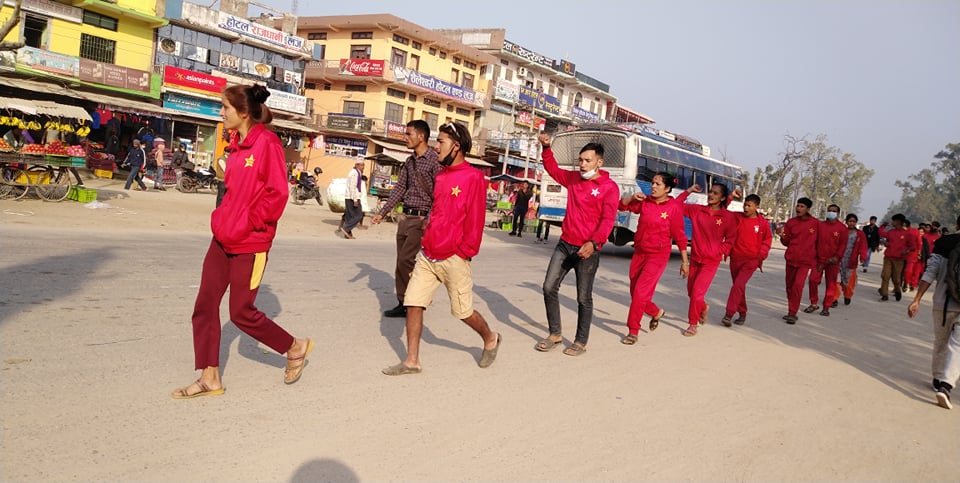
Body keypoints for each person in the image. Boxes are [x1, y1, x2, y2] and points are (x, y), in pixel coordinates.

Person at [172, 84, 313, 399]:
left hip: (251, 242)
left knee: (240, 312)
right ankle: (209, 377)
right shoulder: (235, 146)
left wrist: (247, 223)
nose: (221, 113)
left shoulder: (268, 144)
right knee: (205, 306)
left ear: (243, 111)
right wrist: (225, 219)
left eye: (225, 107)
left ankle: (294, 346)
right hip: (222, 239)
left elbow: (278, 194)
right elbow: (234, 195)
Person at [382, 122, 500, 375]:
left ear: (456, 146)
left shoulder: (473, 177)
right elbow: (437, 208)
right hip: (428, 254)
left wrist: (465, 251)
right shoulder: (441, 175)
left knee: (463, 312)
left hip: (454, 257)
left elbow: (476, 219)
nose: (437, 147)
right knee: (413, 303)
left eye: (442, 142)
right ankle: (411, 361)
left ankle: (490, 337)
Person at [534, 134, 619, 356]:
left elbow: (607, 220)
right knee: (548, 287)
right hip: (565, 245)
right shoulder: (573, 179)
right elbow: (553, 169)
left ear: (599, 162)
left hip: (587, 251)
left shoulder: (609, 188)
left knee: (583, 297)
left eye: (587, 161)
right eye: (580, 160)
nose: (582, 164)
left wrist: (594, 242)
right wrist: (546, 147)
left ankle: (580, 342)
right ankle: (555, 334)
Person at [371, 120, 440, 318]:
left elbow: (439, 192)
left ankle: (416, 299)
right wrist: (382, 212)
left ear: (421, 136)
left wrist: (430, 219)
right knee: (401, 262)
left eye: (409, 134)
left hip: (421, 219)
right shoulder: (409, 162)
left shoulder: (434, 161)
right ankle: (405, 302)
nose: (405, 138)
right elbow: (401, 189)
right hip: (405, 217)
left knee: (405, 260)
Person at [618, 173, 690, 344]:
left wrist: (685, 261)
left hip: (658, 255)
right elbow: (621, 206)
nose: (653, 186)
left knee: (640, 292)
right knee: (635, 292)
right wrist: (631, 198)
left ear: (667, 189)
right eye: (653, 183)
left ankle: (633, 330)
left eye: (658, 184)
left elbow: (680, 236)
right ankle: (656, 312)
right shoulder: (645, 202)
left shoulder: (673, 208)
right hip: (640, 252)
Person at [907, 214, 960, 409]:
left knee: (941, 342)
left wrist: (917, 299)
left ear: (956, 225)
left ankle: (938, 379)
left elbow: (929, 273)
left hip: (942, 302)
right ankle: (946, 384)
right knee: (958, 346)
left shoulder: (943, 244)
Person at [673, 183, 737, 336]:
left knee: (696, 294)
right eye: (710, 192)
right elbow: (675, 205)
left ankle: (692, 324)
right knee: (691, 293)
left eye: (715, 193)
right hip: (695, 259)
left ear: (722, 198)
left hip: (711, 262)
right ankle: (703, 307)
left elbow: (730, 240)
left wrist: (717, 251)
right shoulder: (697, 211)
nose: (711, 195)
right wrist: (688, 190)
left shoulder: (727, 217)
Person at [722, 194, 773, 327]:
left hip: (751, 260)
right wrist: (730, 197)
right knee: (739, 288)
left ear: (757, 207)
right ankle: (743, 312)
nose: (745, 207)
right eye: (745, 204)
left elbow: (767, 241)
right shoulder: (736, 217)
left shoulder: (762, 223)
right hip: (736, 258)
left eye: (749, 205)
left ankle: (729, 314)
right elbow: (722, 210)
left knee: (738, 285)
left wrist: (760, 256)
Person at [779, 197, 819, 324]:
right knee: (789, 287)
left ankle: (792, 313)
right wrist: (782, 235)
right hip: (791, 258)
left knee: (798, 286)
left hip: (806, 261)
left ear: (807, 209)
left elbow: (820, 242)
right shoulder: (791, 223)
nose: (798, 208)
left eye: (802, 206)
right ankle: (792, 308)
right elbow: (786, 242)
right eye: (798, 206)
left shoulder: (816, 224)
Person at [807, 204, 846, 316]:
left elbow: (843, 246)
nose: (831, 212)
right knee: (813, 280)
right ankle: (814, 303)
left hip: (833, 261)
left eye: (833, 211)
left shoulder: (842, 229)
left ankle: (826, 307)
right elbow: (813, 240)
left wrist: (836, 257)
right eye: (829, 210)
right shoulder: (820, 225)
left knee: (831, 284)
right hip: (818, 259)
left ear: (838, 213)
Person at [878, 213, 916, 301]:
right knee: (885, 275)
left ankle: (897, 290)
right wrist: (883, 227)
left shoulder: (907, 234)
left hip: (899, 259)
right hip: (888, 257)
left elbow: (913, 246)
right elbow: (882, 234)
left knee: (896, 278)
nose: (892, 222)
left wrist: (906, 251)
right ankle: (884, 294)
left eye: (894, 221)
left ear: (898, 222)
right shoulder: (891, 232)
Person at [836, 213, 868, 306]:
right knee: (836, 280)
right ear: (846, 222)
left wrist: (862, 257)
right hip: (839, 259)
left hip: (851, 260)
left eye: (853, 221)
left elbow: (863, 246)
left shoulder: (860, 234)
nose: (851, 223)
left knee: (849, 281)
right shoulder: (842, 232)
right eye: (850, 221)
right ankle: (834, 298)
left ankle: (847, 295)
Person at [339, 159, 365, 239]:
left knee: (349, 216)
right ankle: (346, 228)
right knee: (358, 215)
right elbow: (352, 186)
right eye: (361, 165)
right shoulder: (354, 173)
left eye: (363, 165)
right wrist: (355, 199)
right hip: (352, 197)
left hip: (350, 196)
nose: (363, 167)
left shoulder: (356, 172)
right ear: (357, 165)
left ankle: (348, 234)